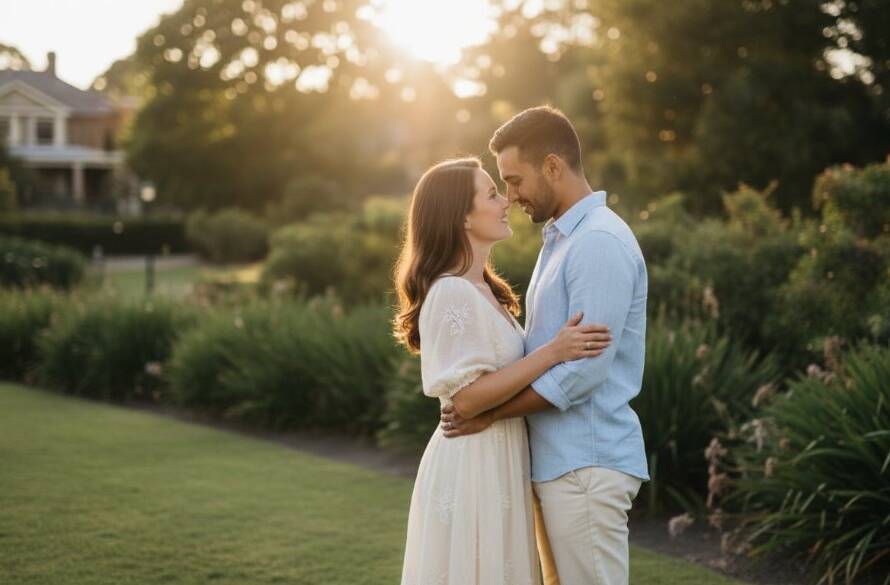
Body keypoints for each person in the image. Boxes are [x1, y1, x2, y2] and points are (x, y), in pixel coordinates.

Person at [441, 106, 650, 585]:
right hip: (560, 463)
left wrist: (492, 412)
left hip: (586, 463)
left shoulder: (597, 242)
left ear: (553, 166)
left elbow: (584, 373)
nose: (510, 197)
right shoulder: (560, 241)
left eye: (514, 181)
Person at [393, 156, 612, 585]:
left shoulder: (483, 289)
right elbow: (467, 399)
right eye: (492, 194)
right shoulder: (451, 292)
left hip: (501, 454)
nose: (505, 201)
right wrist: (553, 352)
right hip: (473, 460)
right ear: (462, 218)